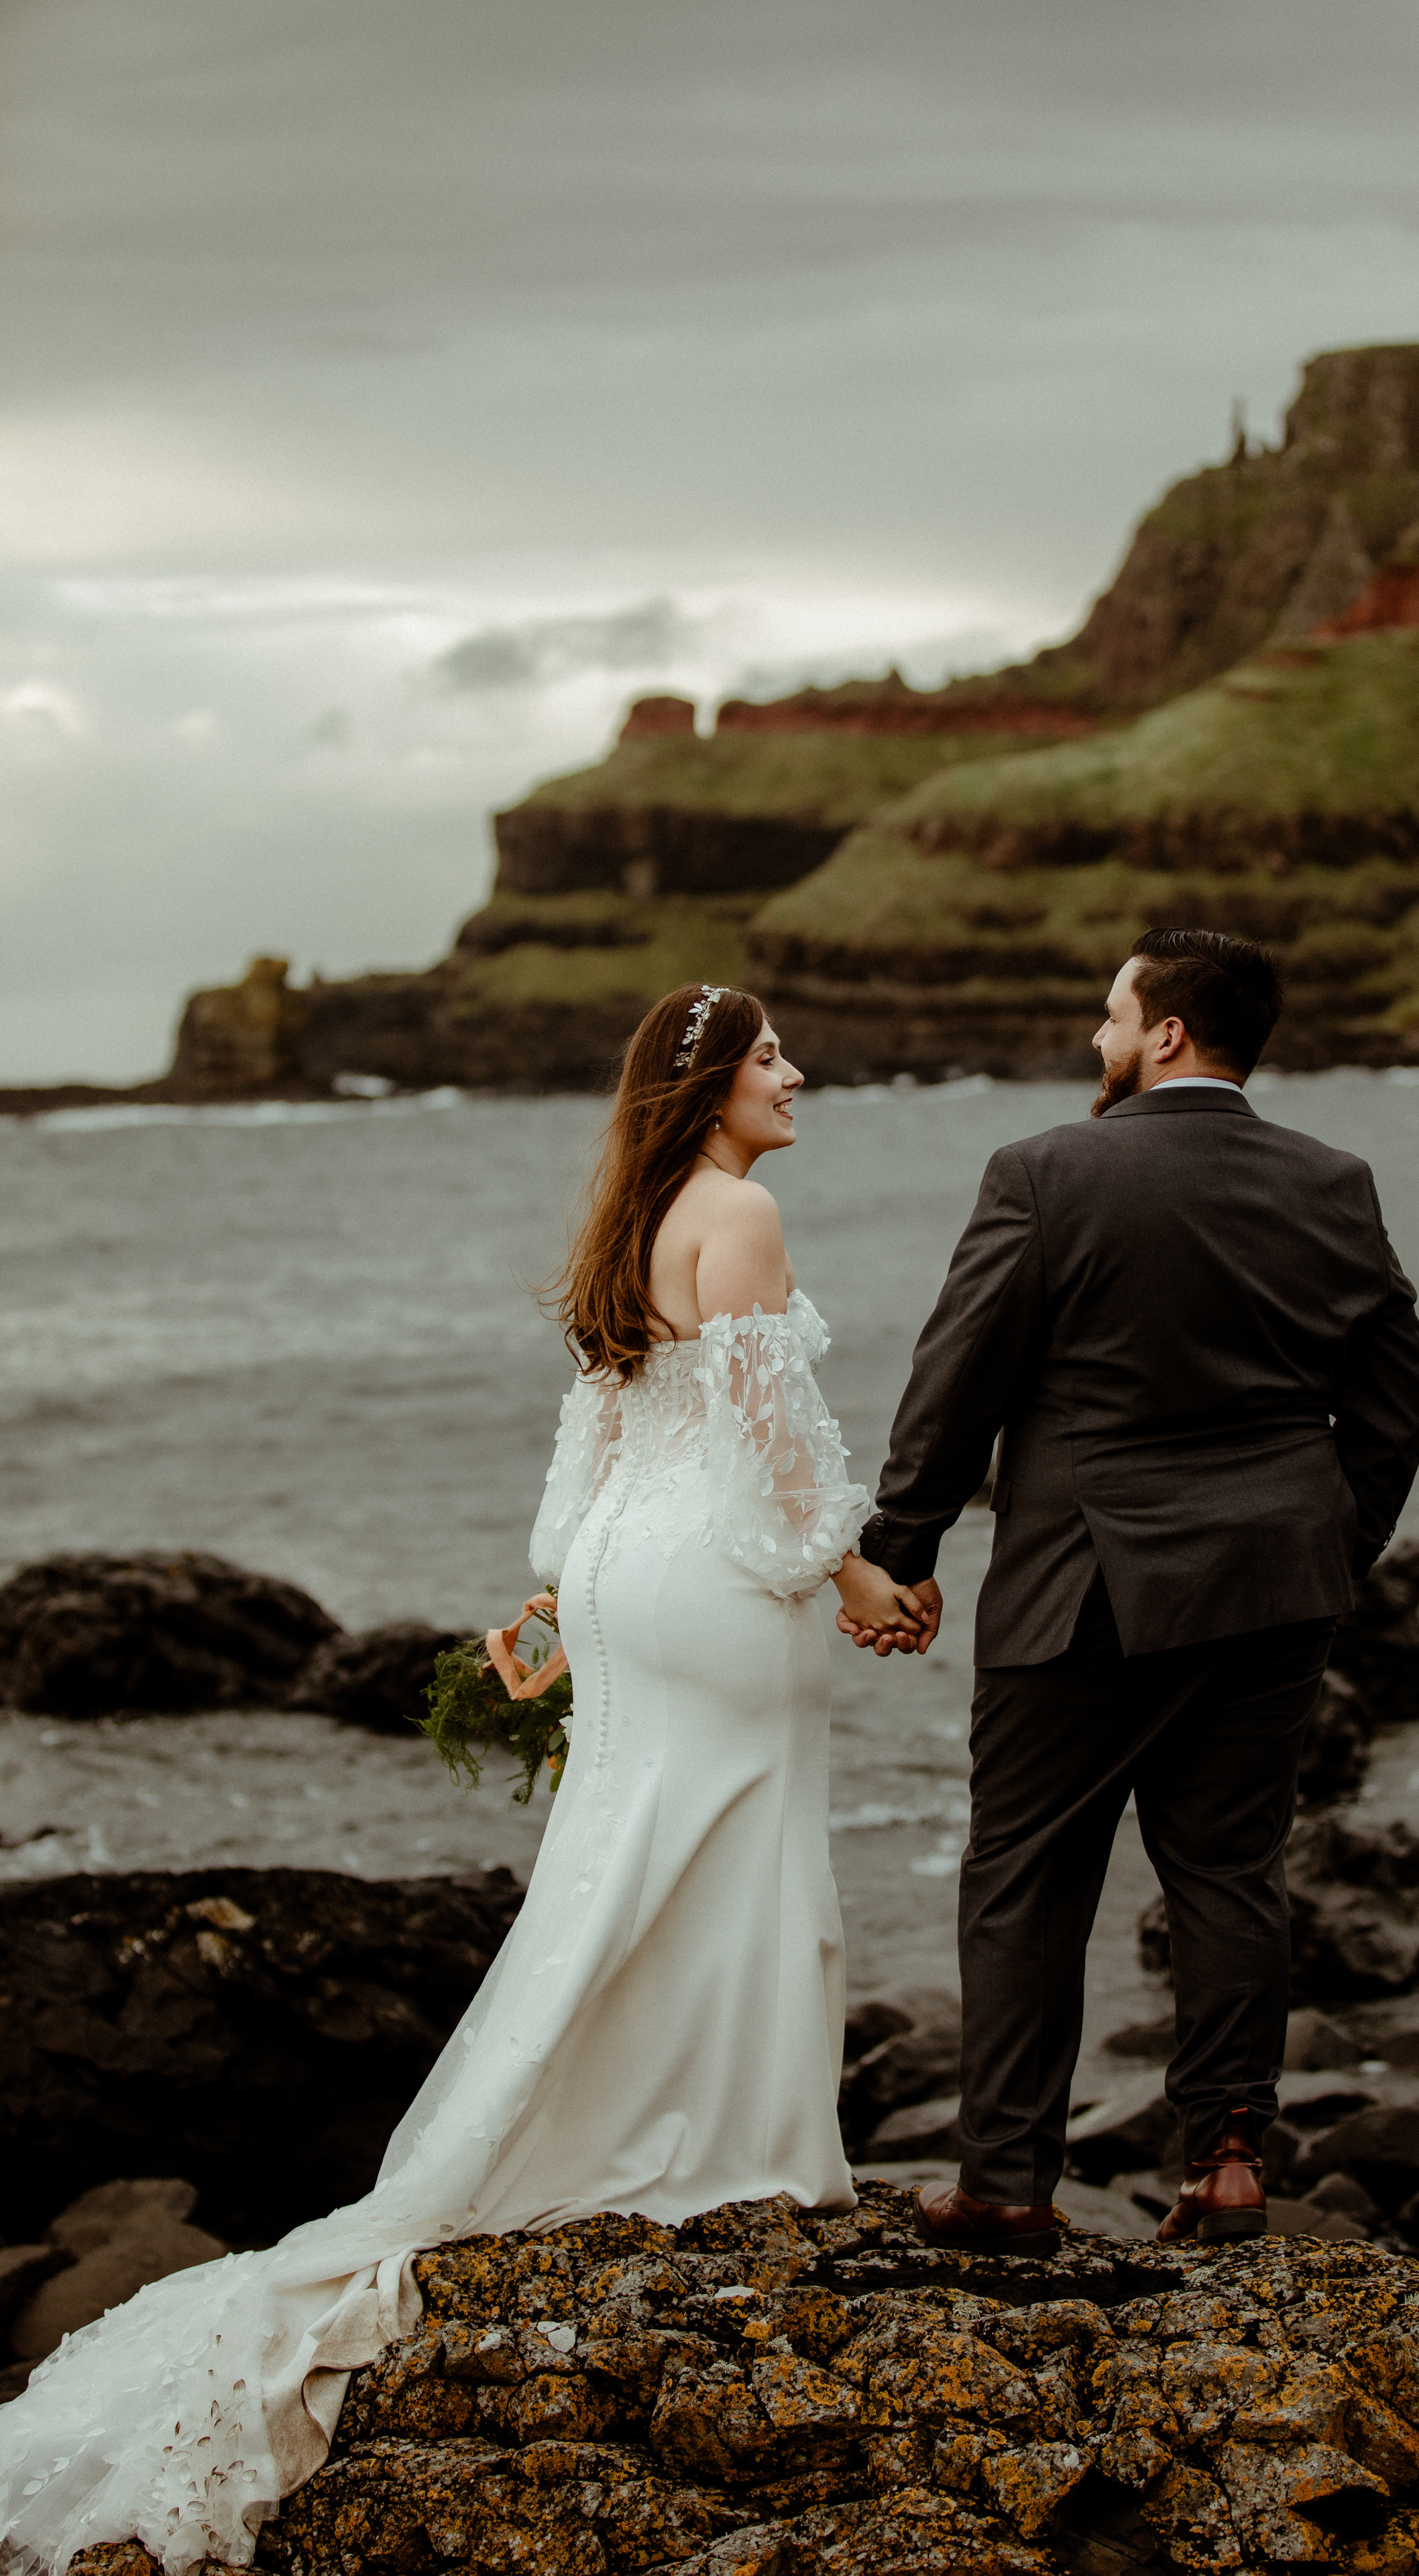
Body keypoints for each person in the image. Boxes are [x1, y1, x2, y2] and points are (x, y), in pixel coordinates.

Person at [0, 983, 923, 2576]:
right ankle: (741, 2148)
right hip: (714, 1587)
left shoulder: (631, 1219)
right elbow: (777, 1453)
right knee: (739, 1846)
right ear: (709, 1083)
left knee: (622, 1849)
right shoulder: (738, 1216)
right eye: (769, 1057)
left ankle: (595, 2122)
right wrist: (864, 1585)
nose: (795, 1076)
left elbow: (602, 1445)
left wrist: (558, 1606)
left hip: (622, 1581)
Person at [841, 927, 1419, 2253]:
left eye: (1112, 1015)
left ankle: (1004, 2184)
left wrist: (902, 1546)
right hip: (1274, 1588)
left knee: (1024, 1872)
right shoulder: (1331, 1180)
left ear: (1165, 1033)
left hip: (1084, 1586)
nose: (1097, 1037)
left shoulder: (1045, 1171)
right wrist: (1334, 1549)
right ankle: (1227, 2164)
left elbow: (959, 1379)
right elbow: (1395, 1391)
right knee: (1230, 1871)